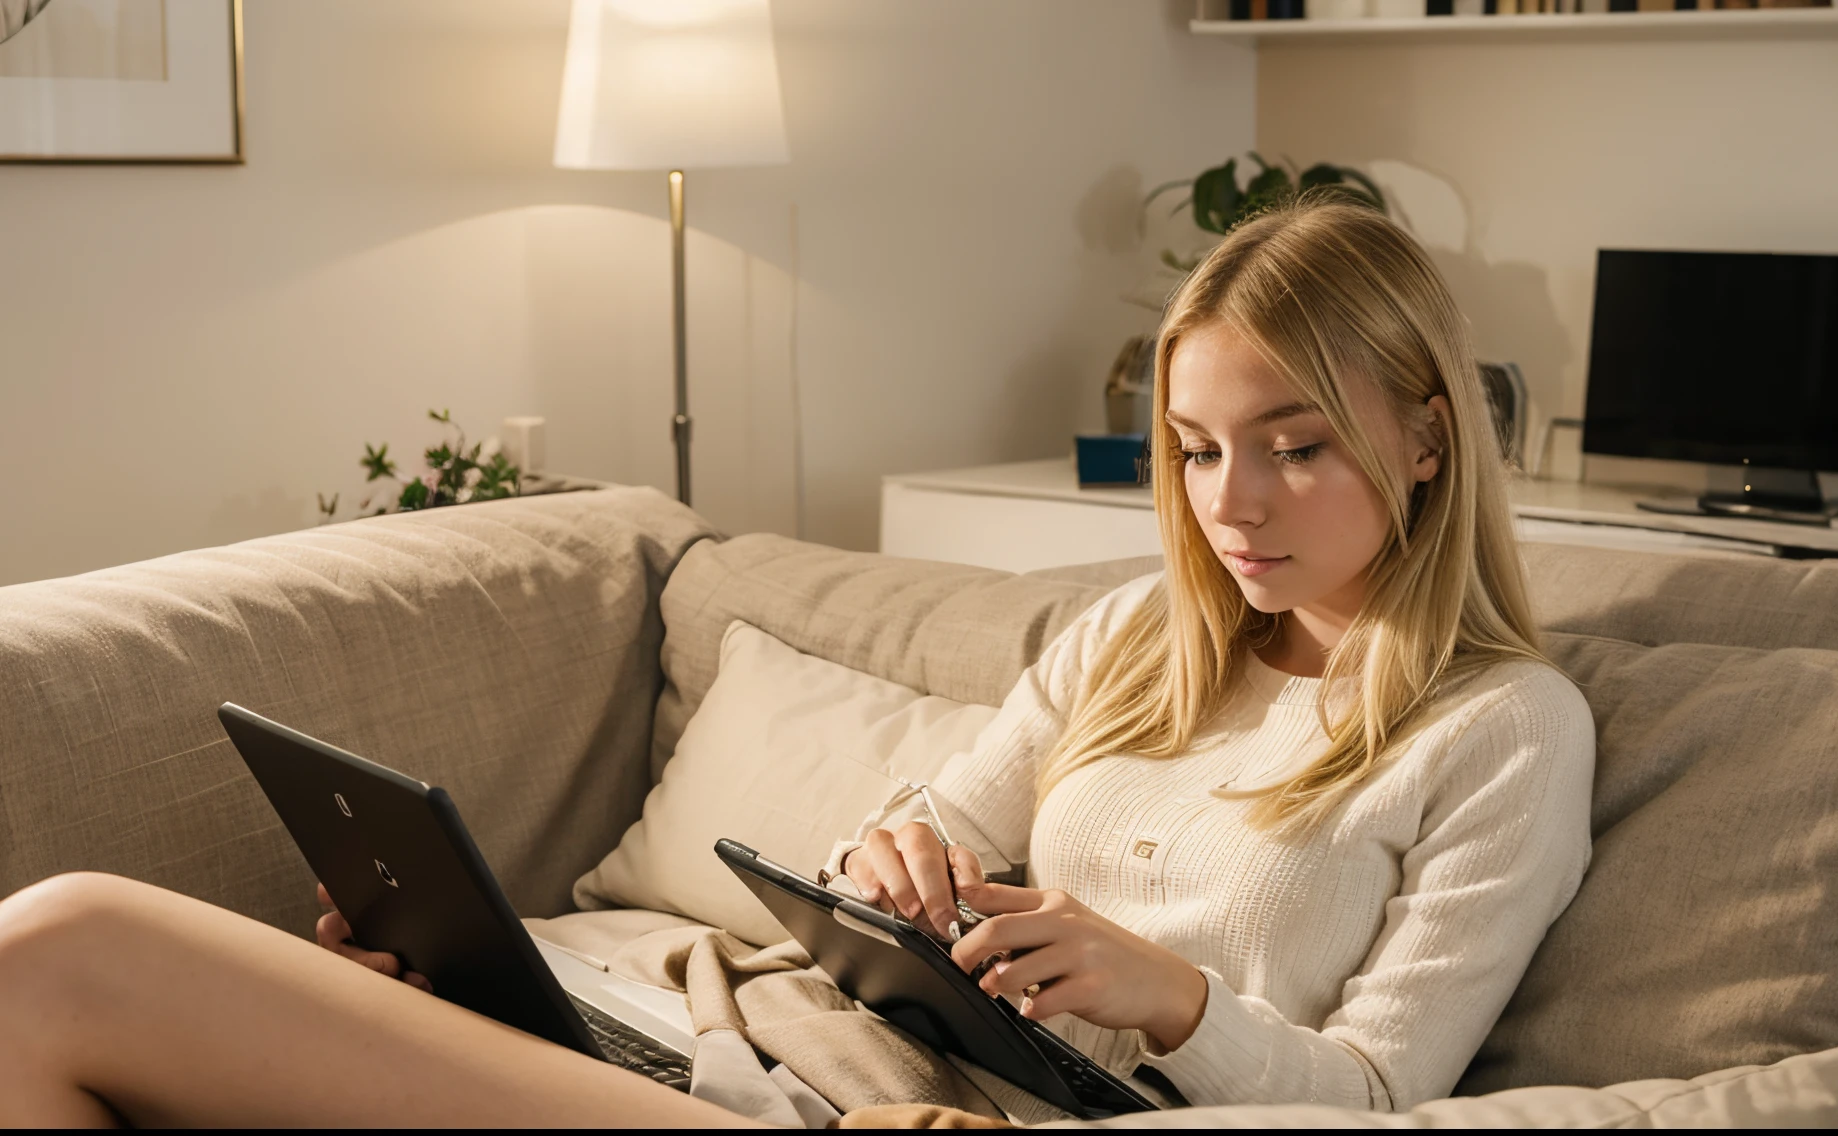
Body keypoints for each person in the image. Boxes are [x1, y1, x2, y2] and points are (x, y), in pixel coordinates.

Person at [0, 196, 1591, 1126]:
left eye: (1293, 448)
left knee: (59, 952)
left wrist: (1178, 1004)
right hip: (802, 1054)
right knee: (69, 989)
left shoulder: (1503, 729)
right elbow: (902, 849)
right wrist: (890, 863)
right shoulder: (1131, 641)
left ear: (1430, 433)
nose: (1229, 504)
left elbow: (1387, 1105)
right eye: (1190, 451)